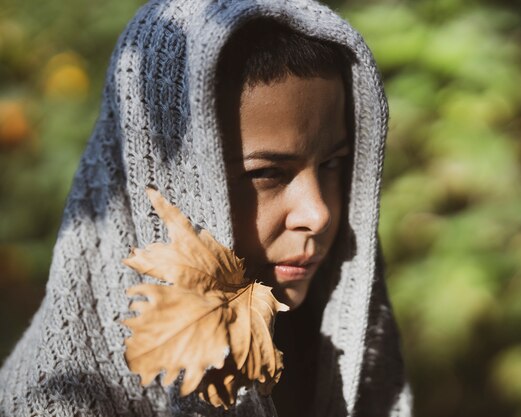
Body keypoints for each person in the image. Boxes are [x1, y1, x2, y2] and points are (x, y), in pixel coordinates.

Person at [0, 1, 412, 416]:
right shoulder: (53, 401)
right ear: (167, 182)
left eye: (333, 164)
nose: (318, 214)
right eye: (267, 173)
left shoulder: (332, 363)